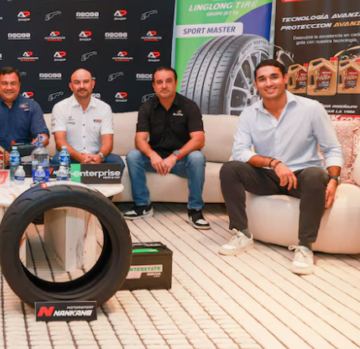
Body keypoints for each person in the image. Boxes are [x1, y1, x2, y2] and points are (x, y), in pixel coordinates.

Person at [219, 59, 342, 275]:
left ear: (285, 79)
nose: (268, 83)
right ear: (256, 84)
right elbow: (240, 151)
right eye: (262, 79)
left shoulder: (311, 109)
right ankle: (242, 234)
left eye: (274, 77)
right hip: (268, 176)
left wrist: (333, 180)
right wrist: (273, 163)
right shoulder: (249, 114)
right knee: (229, 169)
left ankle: (305, 246)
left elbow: (332, 149)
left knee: (315, 175)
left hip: (302, 177)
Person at [123, 66, 208, 229]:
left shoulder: (189, 106)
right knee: (133, 155)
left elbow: (199, 139)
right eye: (159, 82)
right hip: (155, 161)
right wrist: (152, 155)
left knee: (197, 157)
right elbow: (140, 139)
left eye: (168, 81)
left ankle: (195, 210)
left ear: (175, 83)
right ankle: (143, 206)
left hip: (181, 161)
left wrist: (175, 156)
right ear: (154, 86)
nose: (164, 86)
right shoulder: (147, 107)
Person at [0, 66, 49, 166]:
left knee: (41, 157)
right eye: (4, 83)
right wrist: (0, 154)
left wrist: (30, 151)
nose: (9, 87)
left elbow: (43, 137)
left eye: (13, 83)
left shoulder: (32, 106)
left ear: (19, 85)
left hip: (24, 156)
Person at [50, 68, 124, 169]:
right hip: (71, 157)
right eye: (77, 82)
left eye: (86, 82)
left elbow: (108, 142)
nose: (82, 86)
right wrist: (80, 157)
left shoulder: (104, 108)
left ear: (92, 84)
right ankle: (86, 174)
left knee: (117, 162)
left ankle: (83, 174)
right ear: (71, 86)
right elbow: (60, 142)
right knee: (56, 160)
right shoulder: (60, 107)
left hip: (96, 156)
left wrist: (99, 157)